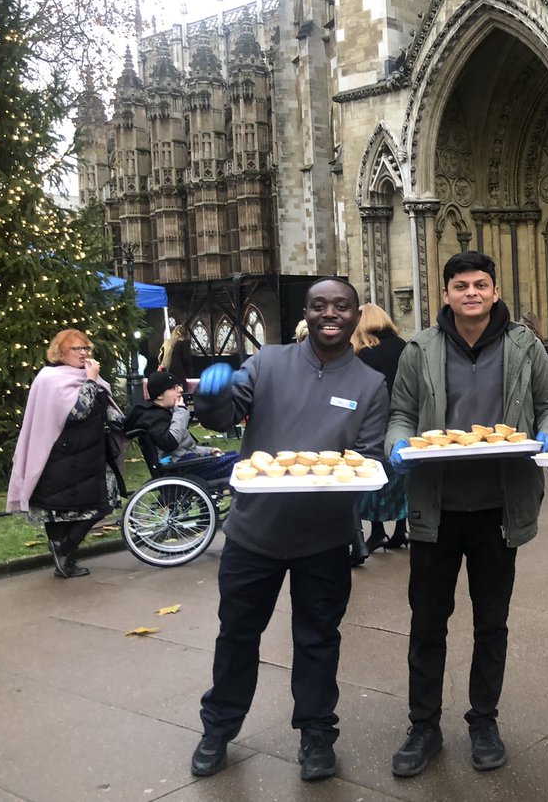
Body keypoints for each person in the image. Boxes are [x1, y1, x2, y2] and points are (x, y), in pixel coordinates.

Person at [188, 278, 389, 783]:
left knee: (319, 640)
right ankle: (218, 729)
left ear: (354, 315)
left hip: (323, 538)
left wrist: (380, 468)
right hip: (253, 533)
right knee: (237, 635)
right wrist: (212, 397)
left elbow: (367, 457)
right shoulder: (267, 363)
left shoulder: (369, 384)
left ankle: (317, 734)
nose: (330, 314)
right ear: (306, 312)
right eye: (320, 305)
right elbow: (225, 415)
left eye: (341, 306)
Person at [385, 251, 548, 778]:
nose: (471, 292)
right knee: (427, 622)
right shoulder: (420, 348)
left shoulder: (523, 344)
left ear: (494, 291)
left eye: (481, 284)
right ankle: (423, 726)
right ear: (445, 293)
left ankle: (483, 720)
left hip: (499, 508)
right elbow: (400, 412)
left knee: (492, 623)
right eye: (461, 285)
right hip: (434, 510)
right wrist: (397, 445)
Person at [7, 329, 128, 579]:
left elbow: (103, 407)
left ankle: (65, 557)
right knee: (58, 509)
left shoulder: (85, 376)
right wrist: (91, 381)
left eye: (86, 348)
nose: (84, 353)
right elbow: (77, 412)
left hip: (86, 456)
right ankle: (65, 554)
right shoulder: (51, 379)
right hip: (60, 457)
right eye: (77, 349)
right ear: (61, 352)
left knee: (102, 500)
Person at [353, 303, 410, 550]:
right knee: (401, 476)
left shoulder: (365, 353)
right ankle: (401, 530)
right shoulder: (404, 347)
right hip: (405, 420)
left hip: (377, 422)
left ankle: (377, 531)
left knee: (376, 477)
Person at [123, 371, 240, 481]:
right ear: (160, 395)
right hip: (183, 468)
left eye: (179, 386)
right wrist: (180, 411)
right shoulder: (153, 417)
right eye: (174, 388)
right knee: (239, 462)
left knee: (235, 456)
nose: (181, 390)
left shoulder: (162, 413)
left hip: (185, 463)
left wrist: (207, 451)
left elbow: (182, 448)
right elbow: (171, 442)